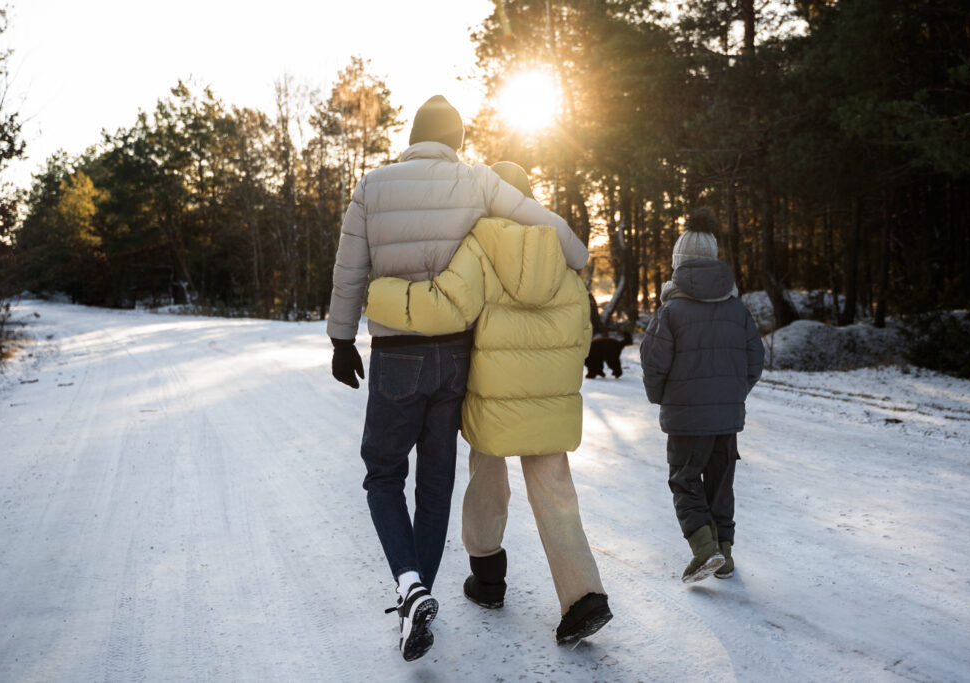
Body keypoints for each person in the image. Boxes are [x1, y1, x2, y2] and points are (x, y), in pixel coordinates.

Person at [327, 98, 588, 661]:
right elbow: (542, 222)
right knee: (437, 481)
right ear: (457, 141)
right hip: (454, 356)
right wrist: (578, 255)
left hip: (396, 353)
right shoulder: (474, 181)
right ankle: (417, 595)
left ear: (413, 135)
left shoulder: (373, 185)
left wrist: (341, 337)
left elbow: (350, 267)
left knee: (382, 474)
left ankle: (410, 586)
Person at [365, 162, 611, 645]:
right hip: (549, 398)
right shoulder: (560, 249)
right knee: (556, 492)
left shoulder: (480, 244)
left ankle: (488, 577)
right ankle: (584, 598)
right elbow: (582, 331)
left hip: (491, 394)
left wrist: (379, 294)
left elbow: (446, 306)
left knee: (486, 476)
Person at [639, 207, 765, 583]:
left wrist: (663, 397)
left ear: (679, 263)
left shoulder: (671, 309)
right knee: (720, 482)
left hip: (686, 419)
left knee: (684, 479)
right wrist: (731, 394)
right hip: (727, 418)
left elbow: (653, 362)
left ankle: (704, 549)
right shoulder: (737, 309)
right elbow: (755, 360)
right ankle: (724, 554)